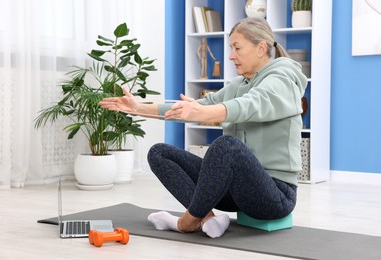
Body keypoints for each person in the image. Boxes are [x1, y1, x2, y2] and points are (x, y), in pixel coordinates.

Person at [99, 16, 307, 238]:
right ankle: (207, 219)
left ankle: (187, 222)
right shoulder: (238, 84)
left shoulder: (282, 80)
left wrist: (202, 112)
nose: (231, 55)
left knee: (227, 146)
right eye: (231, 48)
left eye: (237, 48)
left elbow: (249, 105)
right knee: (159, 153)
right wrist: (137, 108)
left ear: (261, 48)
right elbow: (196, 107)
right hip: (236, 194)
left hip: (274, 196)